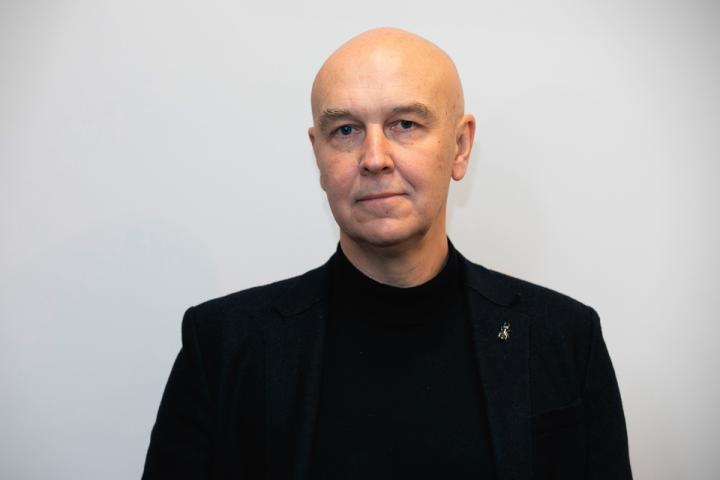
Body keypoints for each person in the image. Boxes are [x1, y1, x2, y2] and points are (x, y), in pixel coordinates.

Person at [142, 28, 632, 479]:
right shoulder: (223, 347)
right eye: (346, 130)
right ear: (318, 155)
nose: (374, 159)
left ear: (460, 146)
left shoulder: (565, 338)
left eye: (404, 123)